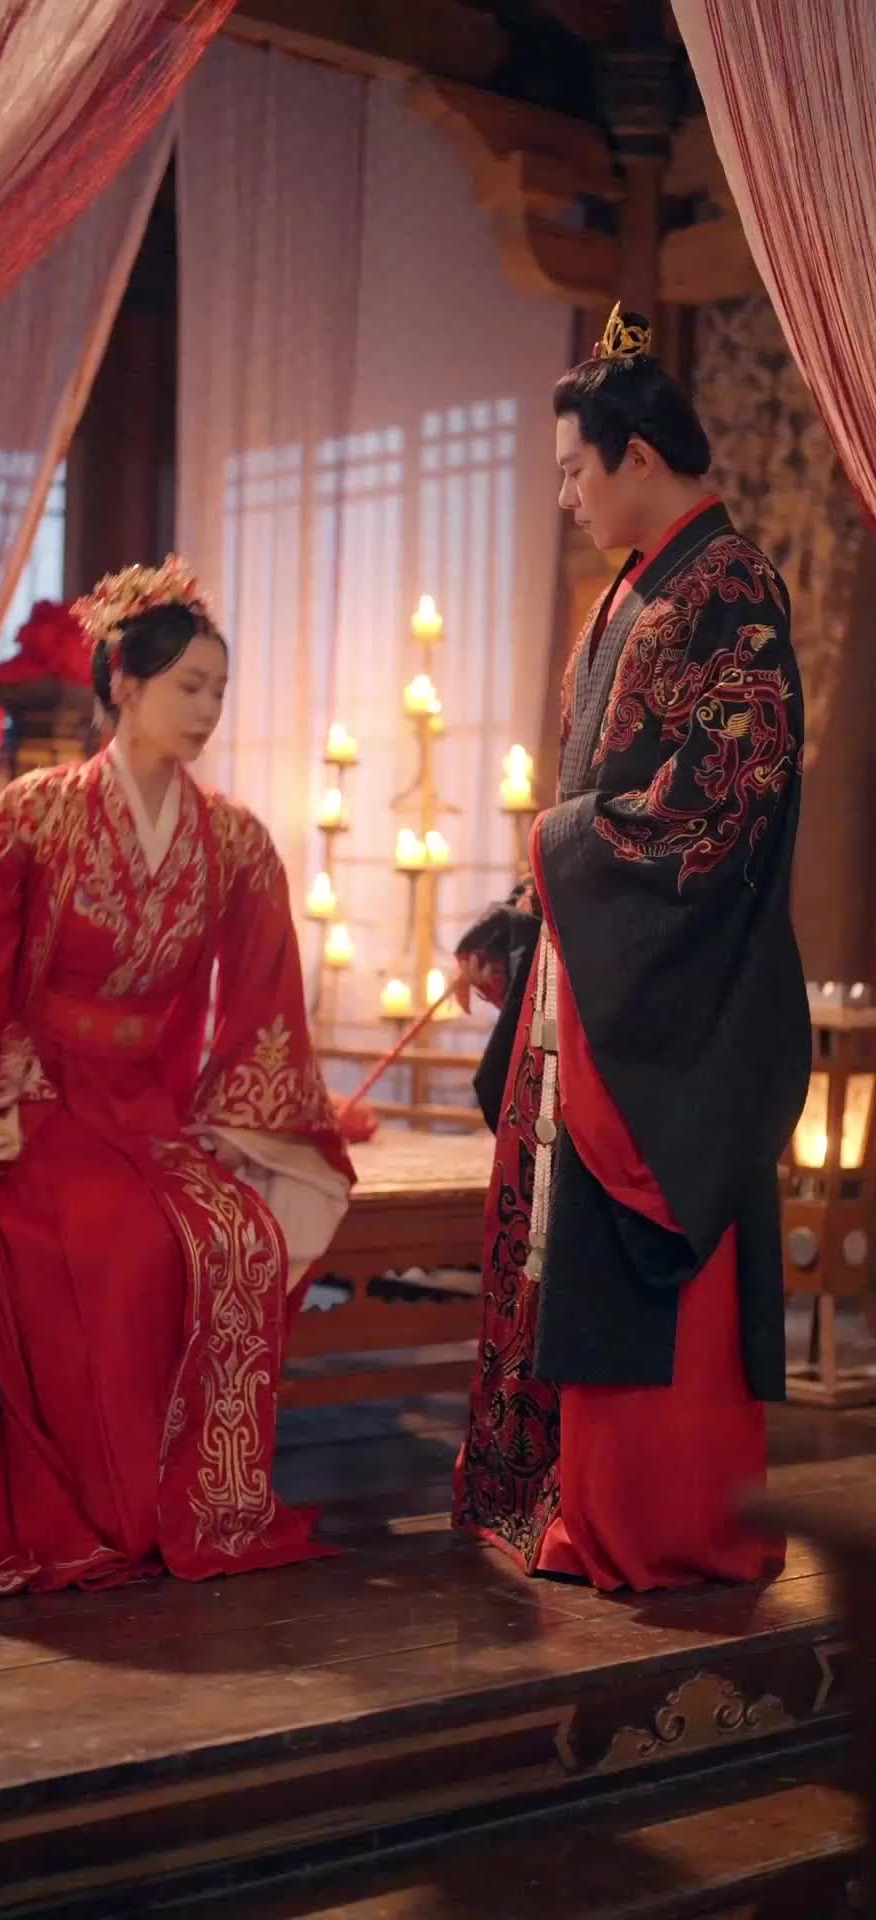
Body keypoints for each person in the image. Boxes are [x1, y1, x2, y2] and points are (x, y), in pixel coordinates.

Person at [0, 558, 353, 1606]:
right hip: (40, 1103)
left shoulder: (235, 841)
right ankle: (114, 1511)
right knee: (118, 1245)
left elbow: (265, 998)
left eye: (219, 690)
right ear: (124, 686)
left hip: (154, 1112)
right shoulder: (35, 813)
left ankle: (201, 1501)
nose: (208, 709)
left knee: (240, 1236)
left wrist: (243, 1126)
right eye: (189, 686)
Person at [452, 307, 810, 1592]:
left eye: (574, 470)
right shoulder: (641, 586)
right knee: (567, 1241)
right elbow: (601, 788)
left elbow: (719, 801)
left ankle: (657, 1521)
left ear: (640, 456)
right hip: (601, 967)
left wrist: (559, 855)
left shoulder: (734, 590)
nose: (564, 496)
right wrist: (523, 913)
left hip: (673, 997)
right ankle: (569, 1497)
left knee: (652, 1252)